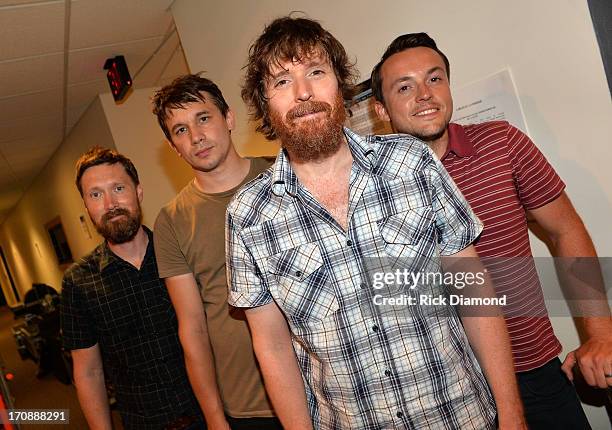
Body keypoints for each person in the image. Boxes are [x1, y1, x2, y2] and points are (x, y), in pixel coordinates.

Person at [228, 16, 526, 430]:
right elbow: (272, 347)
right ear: (265, 105)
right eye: (281, 82)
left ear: (340, 85)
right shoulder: (248, 215)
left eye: (316, 72)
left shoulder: (411, 161)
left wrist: (512, 414)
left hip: (464, 415)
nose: (303, 93)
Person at [371, 32, 612, 429]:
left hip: (534, 373)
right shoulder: (372, 184)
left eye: (434, 79)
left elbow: (565, 231)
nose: (425, 94)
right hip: (443, 390)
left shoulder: (502, 142)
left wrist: (600, 332)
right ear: (381, 109)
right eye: (404, 87)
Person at [151, 75, 280, 430]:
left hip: (325, 387)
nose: (195, 137)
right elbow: (192, 328)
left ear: (229, 118)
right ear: (174, 148)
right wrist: (214, 418)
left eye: (203, 118)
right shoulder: (172, 222)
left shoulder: (284, 177)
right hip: (248, 407)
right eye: (180, 130)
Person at [60, 147, 202, 430]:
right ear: (86, 206)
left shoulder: (179, 251)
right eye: (96, 195)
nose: (110, 203)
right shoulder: (78, 282)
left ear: (138, 191)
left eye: (118, 188)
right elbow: (88, 372)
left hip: (209, 414)